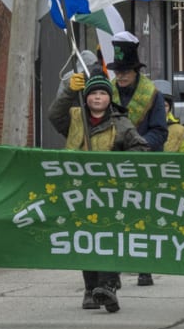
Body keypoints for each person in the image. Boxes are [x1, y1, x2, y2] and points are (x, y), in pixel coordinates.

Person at [49, 72, 150, 313]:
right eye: (93, 93)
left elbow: (141, 148)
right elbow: (54, 115)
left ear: (109, 98)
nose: (97, 97)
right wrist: (69, 92)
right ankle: (90, 289)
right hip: (79, 190)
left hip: (110, 193)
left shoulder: (121, 123)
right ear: (86, 98)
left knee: (107, 237)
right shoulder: (75, 118)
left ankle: (108, 287)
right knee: (86, 238)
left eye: (102, 93)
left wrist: (118, 162)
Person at [105, 32, 167, 287]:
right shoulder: (105, 93)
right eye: (117, 71)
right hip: (113, 163)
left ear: (136, 71)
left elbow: (160, 132)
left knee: (143, 216)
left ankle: (145, 266)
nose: (121, 76)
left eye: (125, 71)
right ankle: (114, 270)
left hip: (144, 163)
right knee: (115, 217)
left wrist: (138, 148)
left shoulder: (152, 95)